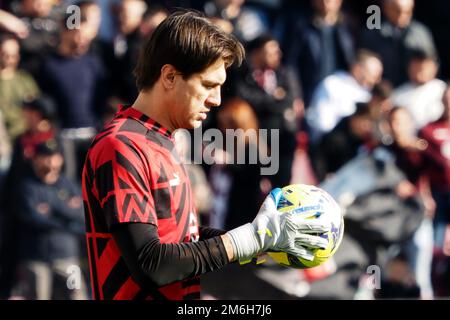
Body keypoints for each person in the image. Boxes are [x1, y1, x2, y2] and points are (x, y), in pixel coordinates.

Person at [82, 11, 331, 300]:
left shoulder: (162, 140)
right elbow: (151, 264)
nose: (216, 100)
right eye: (208, 85)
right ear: (170, 76)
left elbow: (178, 238)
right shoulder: (122, 146)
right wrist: (244, 241)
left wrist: (260, 238)